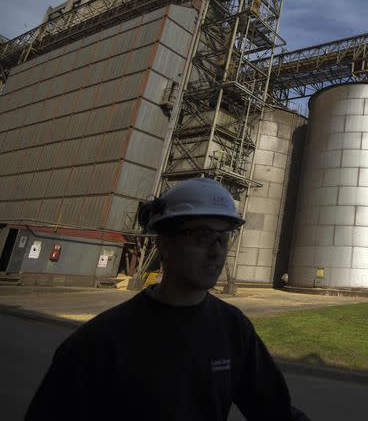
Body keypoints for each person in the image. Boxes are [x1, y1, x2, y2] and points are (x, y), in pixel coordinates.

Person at [26, 178, 310, 421]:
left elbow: (275, 412)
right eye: (202, 236)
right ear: (163, 243)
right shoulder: (100, 342)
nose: (217, 252)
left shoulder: (233, 329)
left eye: (224, 238)